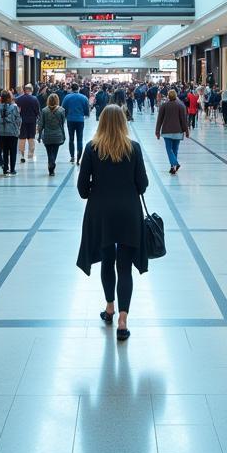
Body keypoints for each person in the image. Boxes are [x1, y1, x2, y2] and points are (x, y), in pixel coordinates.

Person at [77, 105, 150, 342]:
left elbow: (81, 188)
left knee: (107, 261)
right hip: (129, 211)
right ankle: (123, 320)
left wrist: (95, 191)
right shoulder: (134, 148)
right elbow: (143, 184)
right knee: (125, 267)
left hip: (101, 213)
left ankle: (110, 307)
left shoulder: (92, 148)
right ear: (123, 122)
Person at [156, 88, 190, 174]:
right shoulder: (181, 106)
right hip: (178, 132)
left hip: (167, 132)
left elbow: (159, 119)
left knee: (169, 149)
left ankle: (174, 164)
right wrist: (186, 131)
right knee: (175, 149)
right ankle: (173, 167)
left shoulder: (164, 106)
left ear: (168, 96)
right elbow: (184, 120)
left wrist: (157, 131)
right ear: (176, 96)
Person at [0, 90, 21, 176]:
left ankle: (5, 168)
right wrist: (17, 127)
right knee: (13, 151)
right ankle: (12, 169)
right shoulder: (14, 107)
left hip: (0, 132)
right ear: (9, 98)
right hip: (12, 132)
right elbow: (18, 119)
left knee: (4, 151)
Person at [38, 93, 67, 176]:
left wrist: (39, 136)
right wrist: (64, 135)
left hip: (47, 135)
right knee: (55, 151)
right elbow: (62, 124)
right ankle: (52, 164)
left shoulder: (44, 110)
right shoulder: (62, 110)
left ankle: (51, 166)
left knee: (49, 152)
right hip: (58, 135)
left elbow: (41, 125)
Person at [62, 83, 89, 164]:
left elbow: (63, 108)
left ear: (71, 89)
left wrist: (66, 116)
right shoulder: (84, 98)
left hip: (70, 120)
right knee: (80, 139)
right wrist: (84, 114)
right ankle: (79, 157)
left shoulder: (67, 97)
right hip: (80, 120)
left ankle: (72, 157)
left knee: (71, 138)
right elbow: (87, 110)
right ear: (78, 88)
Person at [15, 84, 41, 163]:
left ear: (24, 90)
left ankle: (22, 154)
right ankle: (30, 154)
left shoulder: (19, 99)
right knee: (31, 138)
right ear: (31, 90)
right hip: (32, 121)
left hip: (22, 121)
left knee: (22, 138)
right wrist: (37, 117)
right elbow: (37, 110)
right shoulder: (34, 99)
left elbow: (16, 110)